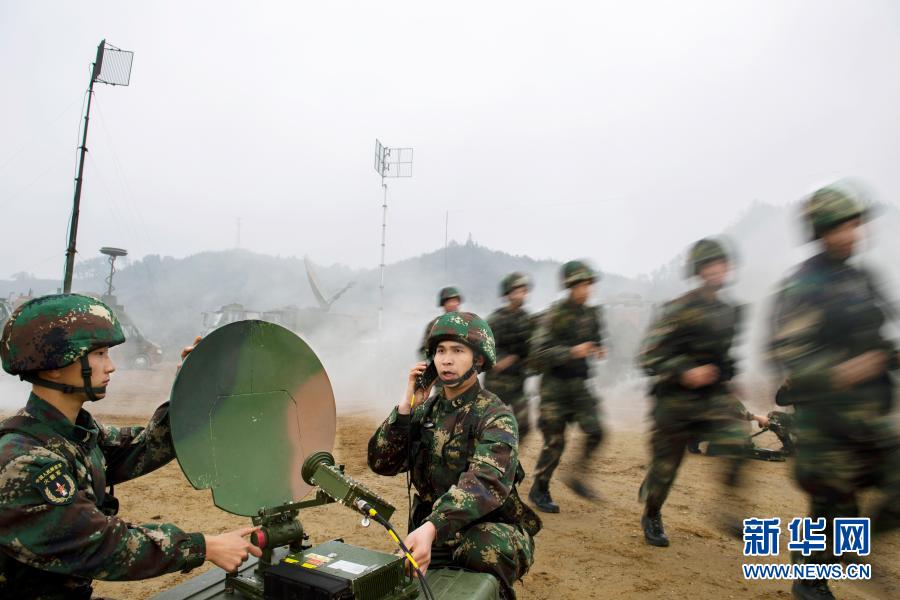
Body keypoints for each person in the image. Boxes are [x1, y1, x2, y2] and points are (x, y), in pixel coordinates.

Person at [0, 294, 261, 600]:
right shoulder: (23, 461)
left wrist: (191, 385)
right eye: (99, 354)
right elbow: (100, 545)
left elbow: (146, 445)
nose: (110, 367)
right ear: (53, 366)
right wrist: (204, 546)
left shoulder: (74, 433)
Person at [767, 185, 899, 600]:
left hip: (870, 415)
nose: (851, 233)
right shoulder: (802, 285)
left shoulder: (863, 278)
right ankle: (810, 580)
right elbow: (786, 355)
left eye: (855, 224)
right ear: (821, 231)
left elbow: (879, 341)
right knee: (830, 505)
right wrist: (841, 372)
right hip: (825, 423)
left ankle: (849, 548)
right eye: (841, 226)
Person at [368, 312, 540, 600]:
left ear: (478, 359)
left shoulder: (496, 416)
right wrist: (406, 407)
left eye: (458, 351)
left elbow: (484, 482)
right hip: (433, 531)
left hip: (484, 530)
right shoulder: (426, 411)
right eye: (440, 351)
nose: (446, 360)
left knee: (483, 549)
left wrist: (431, 527)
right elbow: (381, 462)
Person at [638, 239, 747, 547]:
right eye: (709, 265)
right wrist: (684, 371)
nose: (716, 270)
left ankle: (728, 507)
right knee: (666, 468)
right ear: (699, 271)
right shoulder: (678, 309)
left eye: (721, 264)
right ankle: (652, 512)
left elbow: (724, 357)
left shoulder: (729, 311)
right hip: (675, 401)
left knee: (738, 442)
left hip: (712, 399)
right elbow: (647, 357)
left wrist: (729, 378)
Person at [528, 260, 606, 512]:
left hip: (579, 386)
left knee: (596, 431)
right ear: (570, 286)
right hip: (554, 388)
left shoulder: (591, 315)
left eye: (589, 285)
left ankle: (576, 475)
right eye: (581, 285)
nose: (586, 290)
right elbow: (538, 354)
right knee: (555, 442)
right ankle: (540, 489)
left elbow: (596, 338)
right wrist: (571, 352)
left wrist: (598, 348)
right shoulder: (554, 315)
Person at [485, 272, 535, 441]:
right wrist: (506, 359)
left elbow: (533, 346)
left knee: (524, 426)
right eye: (517, 291)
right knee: (490, 427)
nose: (521, 294)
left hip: (518, 384)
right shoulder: (495, 320)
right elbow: (485, 349)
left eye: (523, 291)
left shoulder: (527, 319)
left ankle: (508, 452)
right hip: (496, 385)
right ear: (508, 294)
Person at [418, 287, 463, 359]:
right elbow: (424, 350)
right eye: (449, 301)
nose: (452, 304)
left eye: (454, 301)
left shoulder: (469, 322)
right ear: (443, 304)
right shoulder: (434, 324)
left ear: (458, 303)